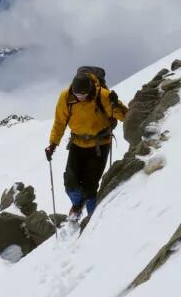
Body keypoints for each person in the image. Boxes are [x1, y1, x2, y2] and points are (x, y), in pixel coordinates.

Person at [45, 69, 129, 220]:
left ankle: (91, 220)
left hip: (100, 145)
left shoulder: (102, 95)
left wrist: (116, 104)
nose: (81, 97)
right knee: (70, 183)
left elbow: (124, 115)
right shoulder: (66, 97)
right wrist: (52, 144)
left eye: (83, 94)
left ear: (90, 89)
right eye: (78, 94)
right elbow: (59, 123)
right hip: (77, 144)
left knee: (90, 187)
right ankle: (78, 205)